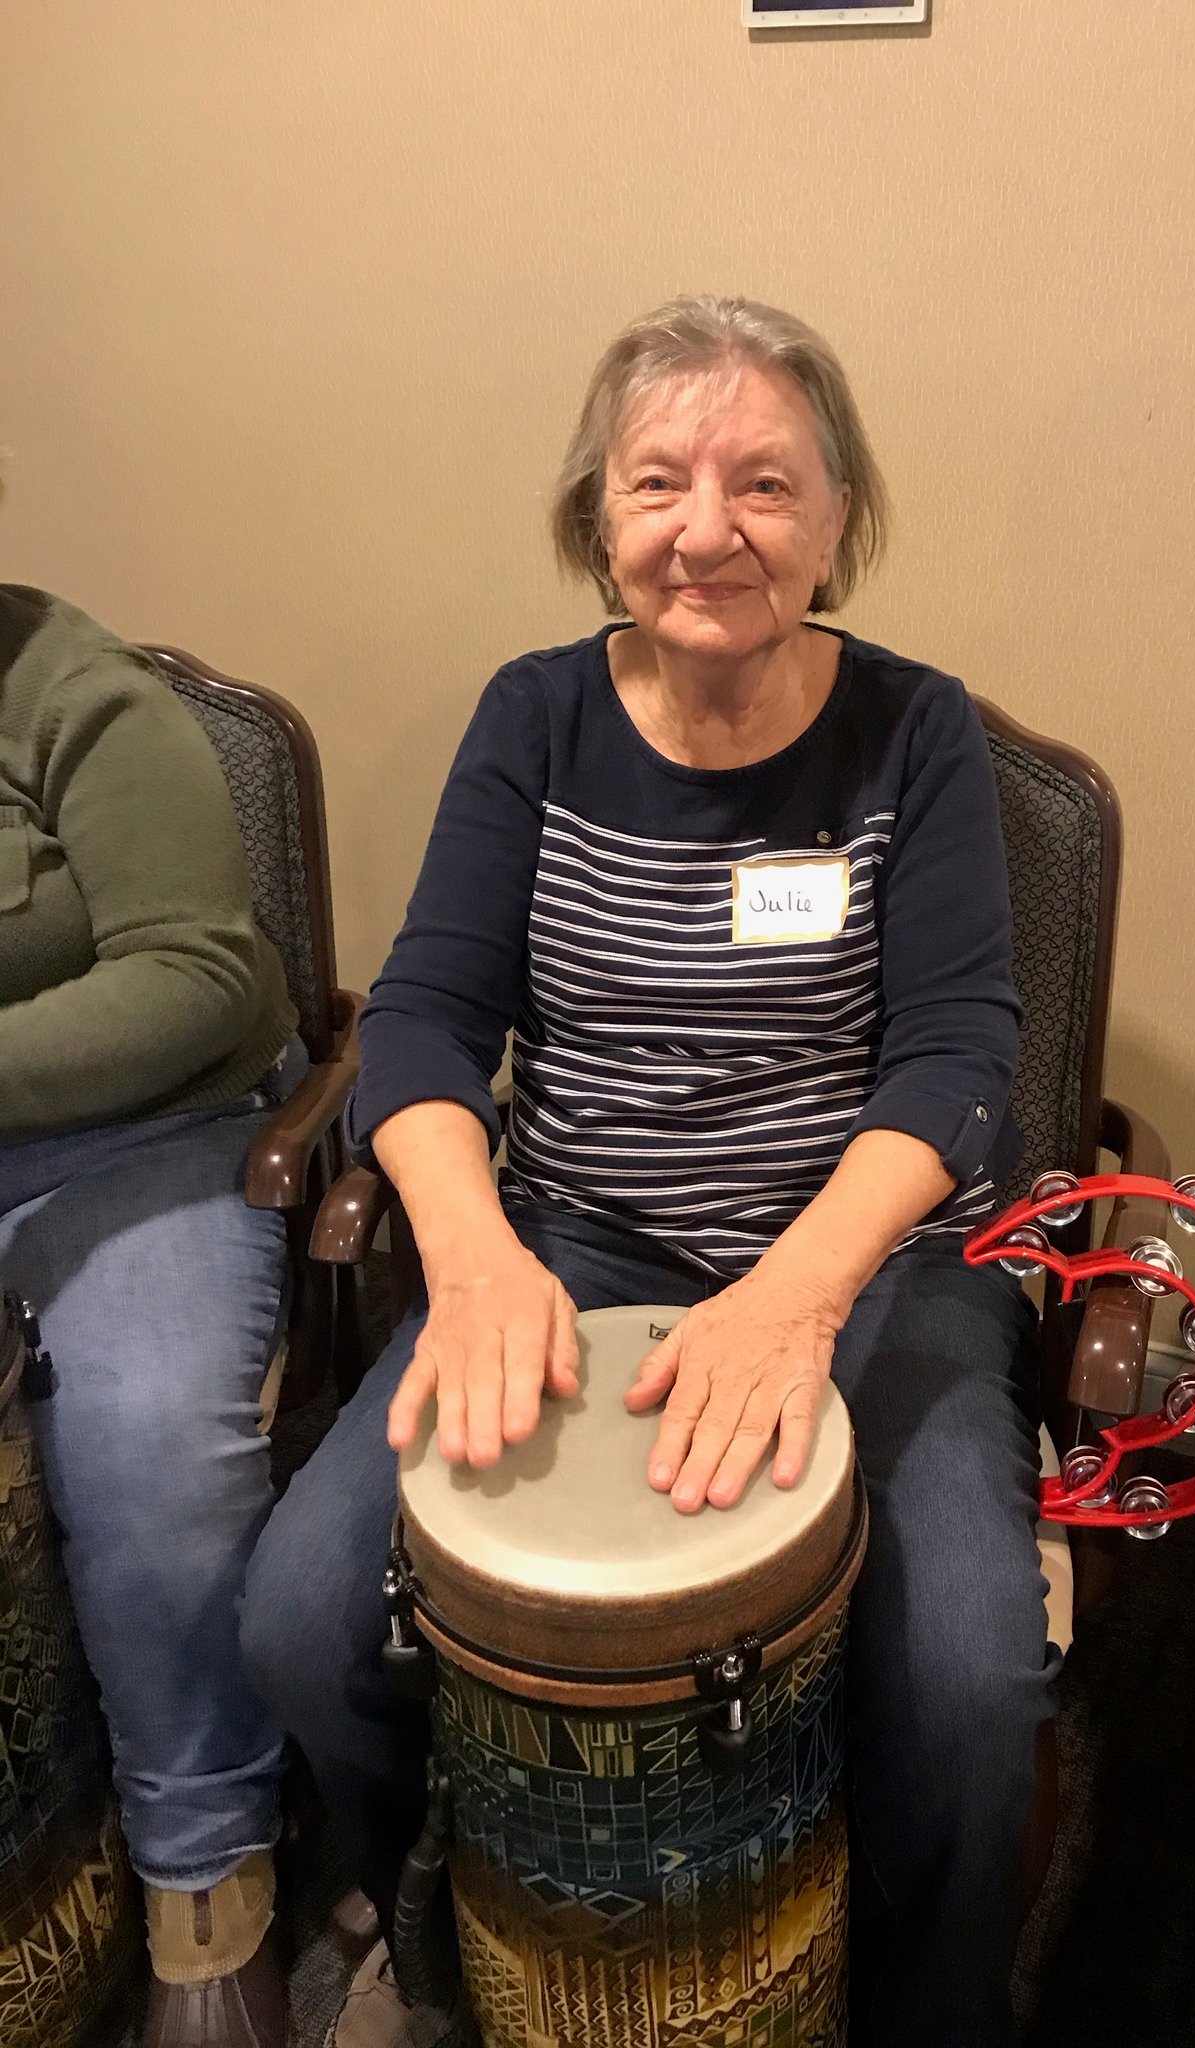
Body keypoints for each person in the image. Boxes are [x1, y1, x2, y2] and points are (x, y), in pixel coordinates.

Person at [242, 295, 1058, 2048]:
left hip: (869, 1260)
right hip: (574, 1234)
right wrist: (468, 1253)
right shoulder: (531, 718)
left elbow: (957, 1060)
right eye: (658, 482)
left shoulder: (916, 735)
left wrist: (794, 1294)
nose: (709, 531)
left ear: (840, 521)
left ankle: (924, 2003)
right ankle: (456, 1923)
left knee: (974, 1687)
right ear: (595, 519)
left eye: (766, 483)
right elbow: (430, 1018)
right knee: (304, 1622)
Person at [0, 585, 303, 2046]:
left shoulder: (80, 696)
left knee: (144, 1447)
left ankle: (206, 1886)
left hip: (145, 1134)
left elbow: (198, 979)